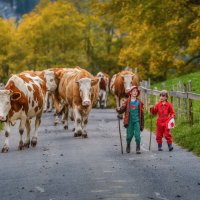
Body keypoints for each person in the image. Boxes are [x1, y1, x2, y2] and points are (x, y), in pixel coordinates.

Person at [116, 86, 144, 154]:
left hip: (137, 121)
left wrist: (142, 124)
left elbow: (142, 114)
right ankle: (128, 145)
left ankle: (138, 148)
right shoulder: (127, 101)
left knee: (137, 135)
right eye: (133, 91)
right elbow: (122, 109)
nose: (135, 92)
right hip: (129, 121)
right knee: (129, 136)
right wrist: (119, 110)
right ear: (130, 93)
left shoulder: (139, 102)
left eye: (136, 91)